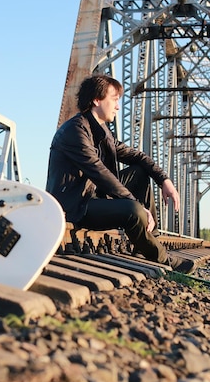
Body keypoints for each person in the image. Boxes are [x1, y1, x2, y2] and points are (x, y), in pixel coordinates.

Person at [46, 74, 194, 273]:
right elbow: (100, 173)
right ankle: (163, 259)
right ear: (96, 100)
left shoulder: (101, 131)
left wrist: (163, 180)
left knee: (139, 173)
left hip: (92, 195)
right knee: (133, 211)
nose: (117, 106)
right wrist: (139, 206)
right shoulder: (75, 131)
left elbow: (138, 157)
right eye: (114, 100)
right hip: (75, 205)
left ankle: (150, 242)